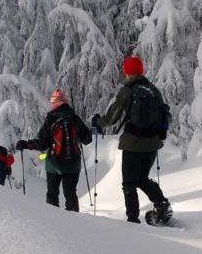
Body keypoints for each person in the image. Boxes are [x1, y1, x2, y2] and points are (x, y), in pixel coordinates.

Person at [93, 55, 172, 224]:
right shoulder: (153, 90)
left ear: (129, 73)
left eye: (126, 72)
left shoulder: (127, 91)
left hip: (132, 144)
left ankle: (133, 221)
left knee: (129, 184)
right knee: (142, 178)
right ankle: (162, 204)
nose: (125, 75)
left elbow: (112, 117)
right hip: (152, 144)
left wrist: (99, 122)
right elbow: (165, 115)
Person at [16, 89, 92, 212]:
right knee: (70, 194)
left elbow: (42, 144)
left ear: (54, 104)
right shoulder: (74, 118)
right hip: (73, 165)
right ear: (66, 102)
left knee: (52, 194)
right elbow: (87, 139)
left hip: (54, 164)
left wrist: (27, 144)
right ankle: (75, 223)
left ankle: (53, 223)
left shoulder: (50, 119)